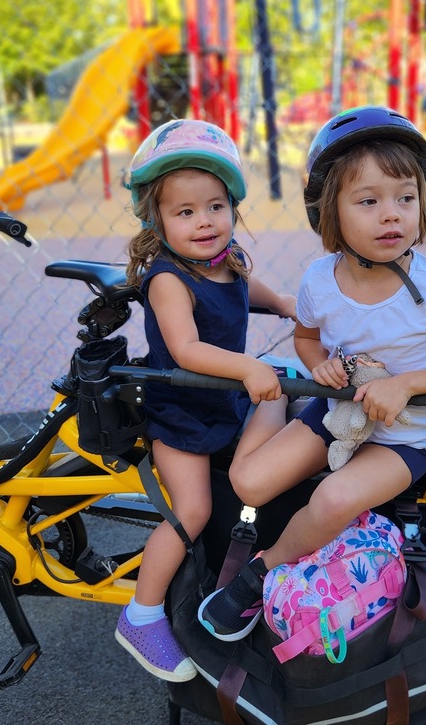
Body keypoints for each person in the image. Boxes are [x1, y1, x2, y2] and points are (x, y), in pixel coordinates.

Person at [197, 105, 426, 641]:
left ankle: (259, 573)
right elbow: (308, 338)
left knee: (335, 498)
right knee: (248, 483)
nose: (393, 215)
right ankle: (271, 398)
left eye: (405, 198)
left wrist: (407, 383)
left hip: (408, 435)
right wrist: (317, 368)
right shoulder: (319, 279)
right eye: (368, 201)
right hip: (340, 411)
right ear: (329, 212)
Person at [114, 119, 297, 681]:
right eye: (185, 212)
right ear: (158, 220)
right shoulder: (168, 279)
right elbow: (187, 349)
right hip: (183, 413)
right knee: (191, 510)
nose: (204, 223)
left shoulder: (228, 256)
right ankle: (141, 616)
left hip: (223, 401)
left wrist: (295, 307)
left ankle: (258, 507)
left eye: (215, 207)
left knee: (287, 390)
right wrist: (248, 366)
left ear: (233, 209)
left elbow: (252, 293)